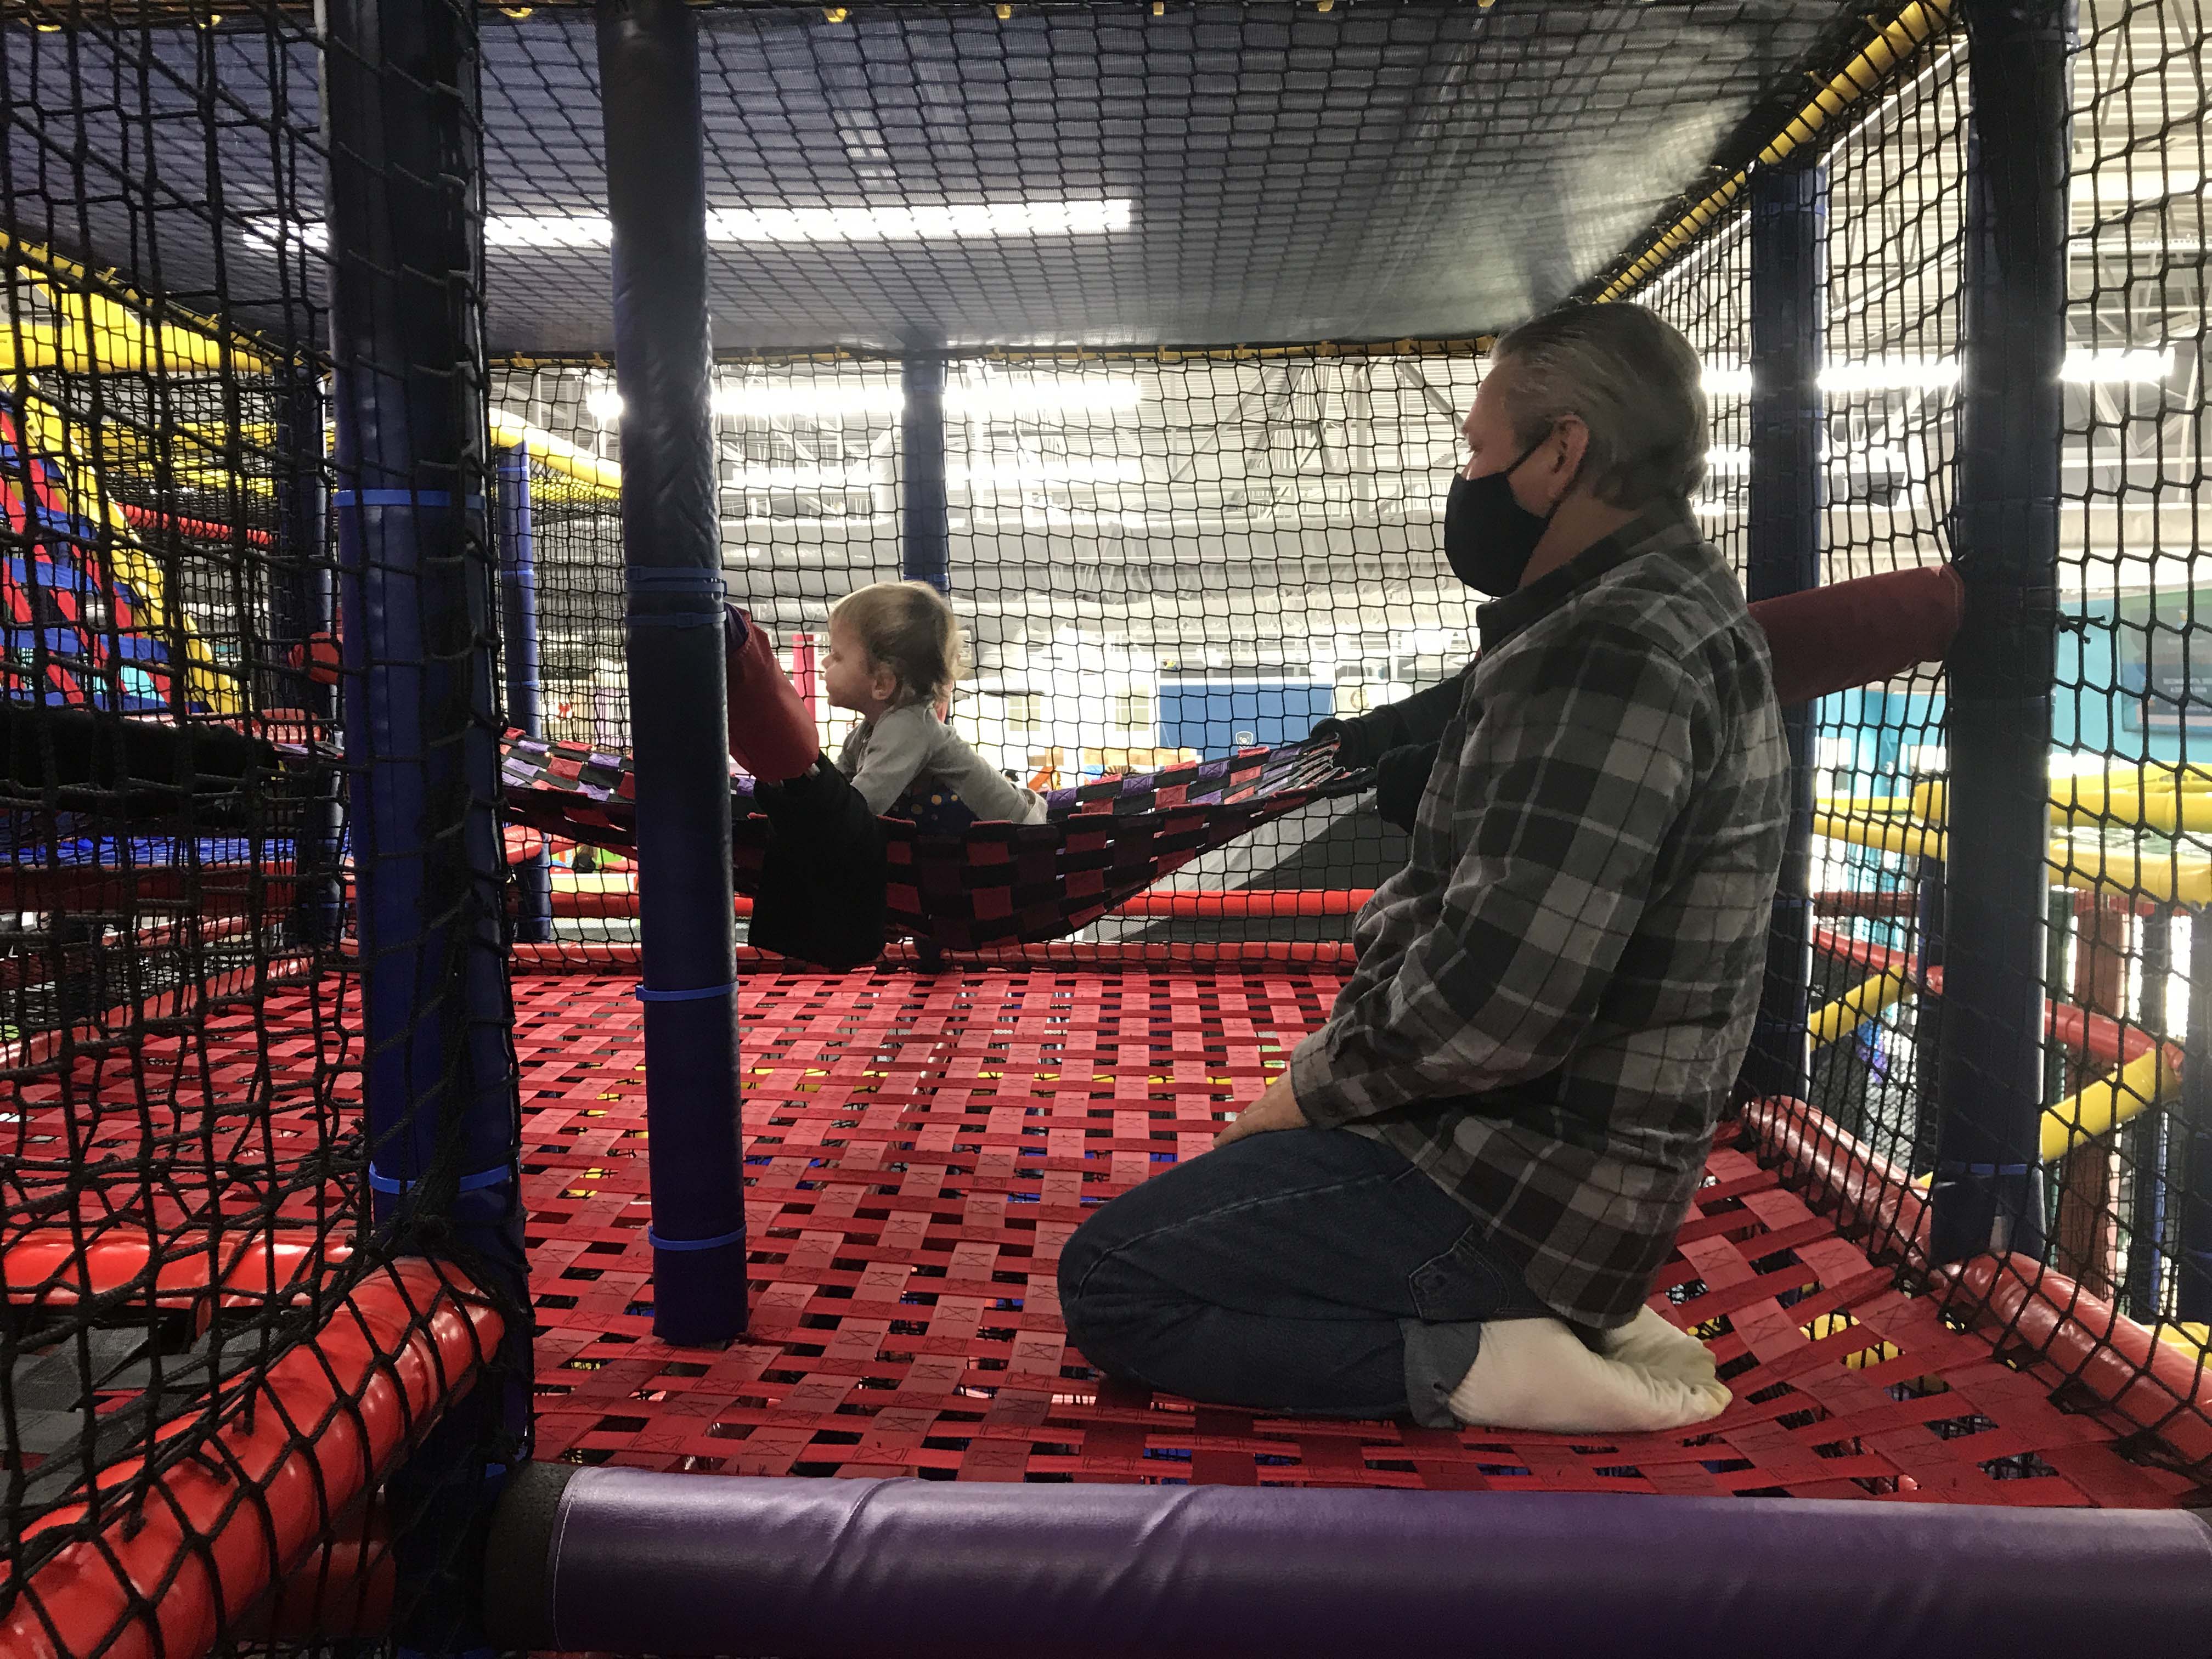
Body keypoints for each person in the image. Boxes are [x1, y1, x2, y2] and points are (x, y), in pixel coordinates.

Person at [1058, 305, 1791, 1434]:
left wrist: (1303, 1094)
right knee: (1200, 1214)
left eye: (1479, 449)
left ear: (1561, 452)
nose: (1469, 478)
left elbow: (1502, 1005)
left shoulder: (1606, 652)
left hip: (1515, 1186)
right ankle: (1537, 1315)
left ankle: (1493, 1357)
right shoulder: (1664, 608)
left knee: (1118, 1280)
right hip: (1552, 1166)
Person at [825, 580, 1048, 826]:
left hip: (1017, 834)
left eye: (836, 656)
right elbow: (837, 785)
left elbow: (858, 809)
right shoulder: (868, 730)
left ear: (881, 683)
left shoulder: (908, 727)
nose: (825, 662)